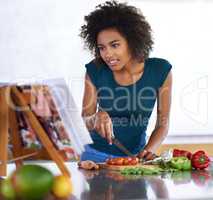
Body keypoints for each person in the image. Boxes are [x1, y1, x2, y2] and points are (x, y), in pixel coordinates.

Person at [79, 0, 172, 163]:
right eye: (102, 47)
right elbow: (85, 119)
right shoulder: (95, 70)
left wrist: (148, 151)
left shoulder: (160, 70)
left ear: (132, 41)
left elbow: (162, 124)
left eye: (114, 45)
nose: (107, 54)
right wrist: (96, 118)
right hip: (95, 157)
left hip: (135, 157)